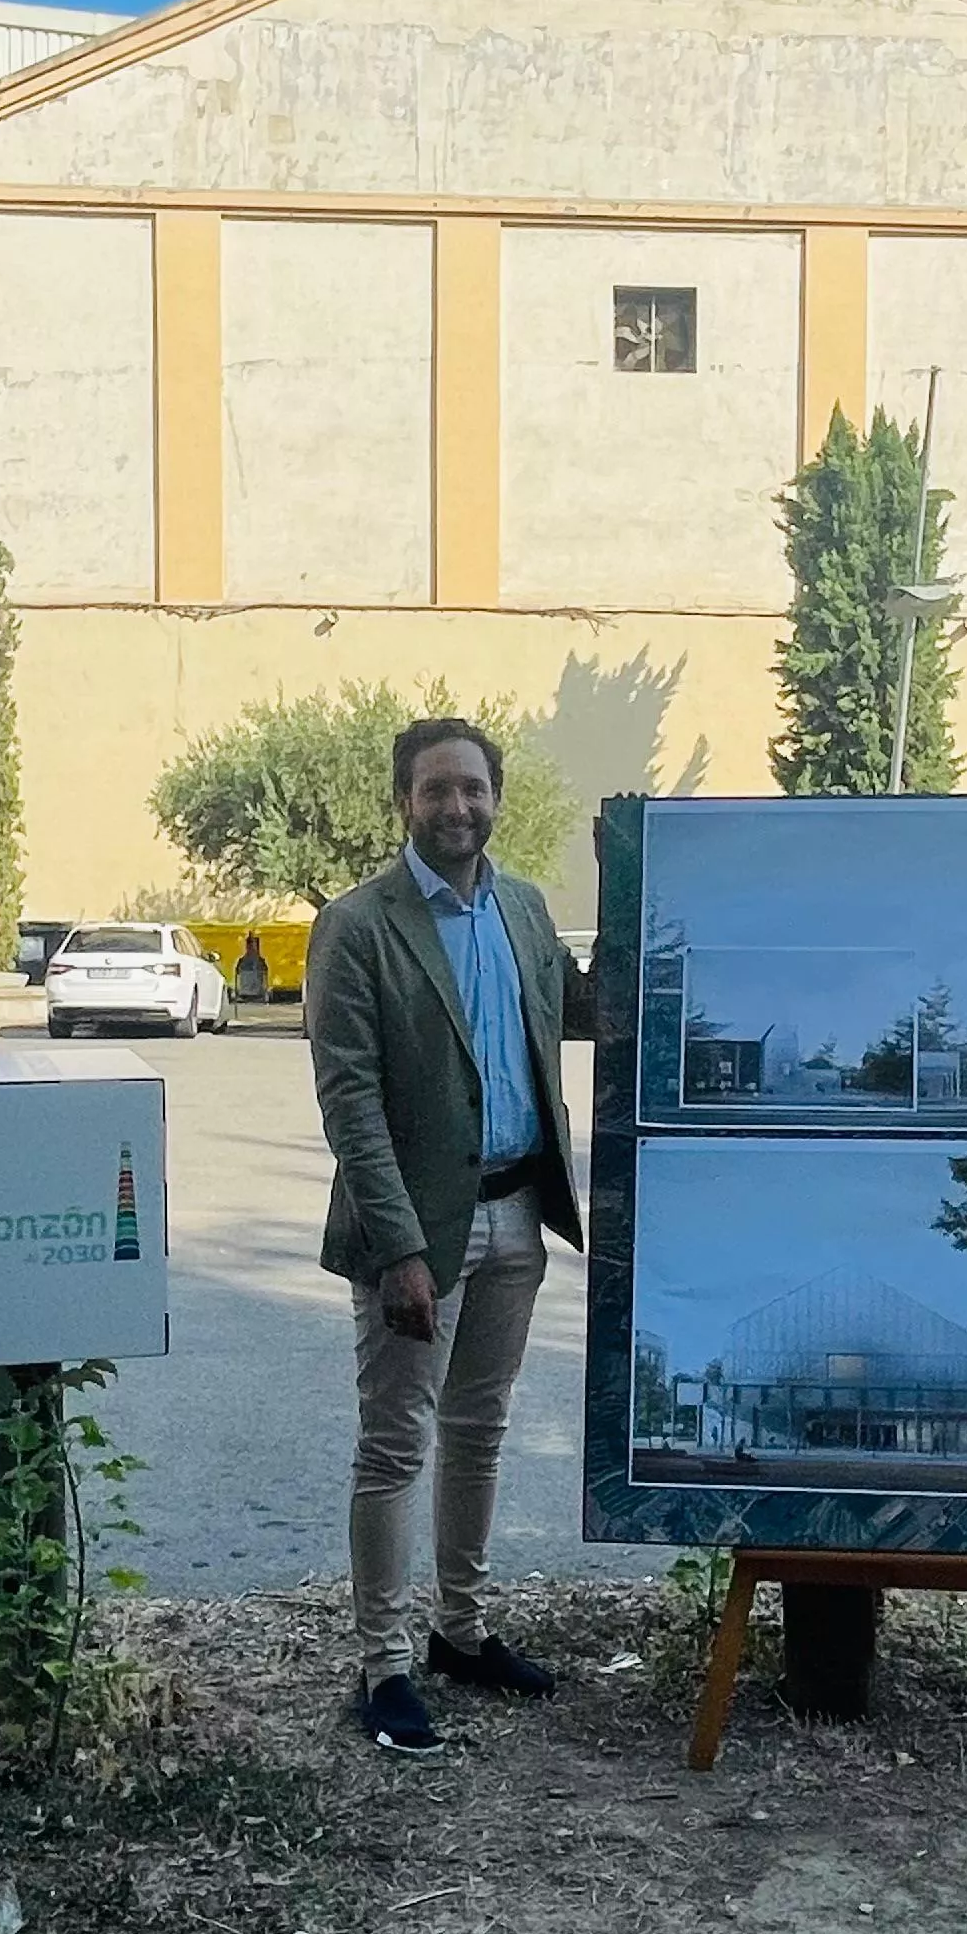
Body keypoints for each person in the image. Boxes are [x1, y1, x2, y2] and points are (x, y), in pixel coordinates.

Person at [304, 716, 586, 1756]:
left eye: (473, 788)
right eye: (436, 790)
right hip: (418, 1229)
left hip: (519, 1212)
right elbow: (350, 1097)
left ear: (495, 797)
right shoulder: (360, 923)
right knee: (394, 1443)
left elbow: (580, 1012)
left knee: (482, 1427)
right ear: (404, 800)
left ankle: (459, 1629)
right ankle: (383, 1661)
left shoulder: (524, 907)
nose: (457, 807)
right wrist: (401, 1246)